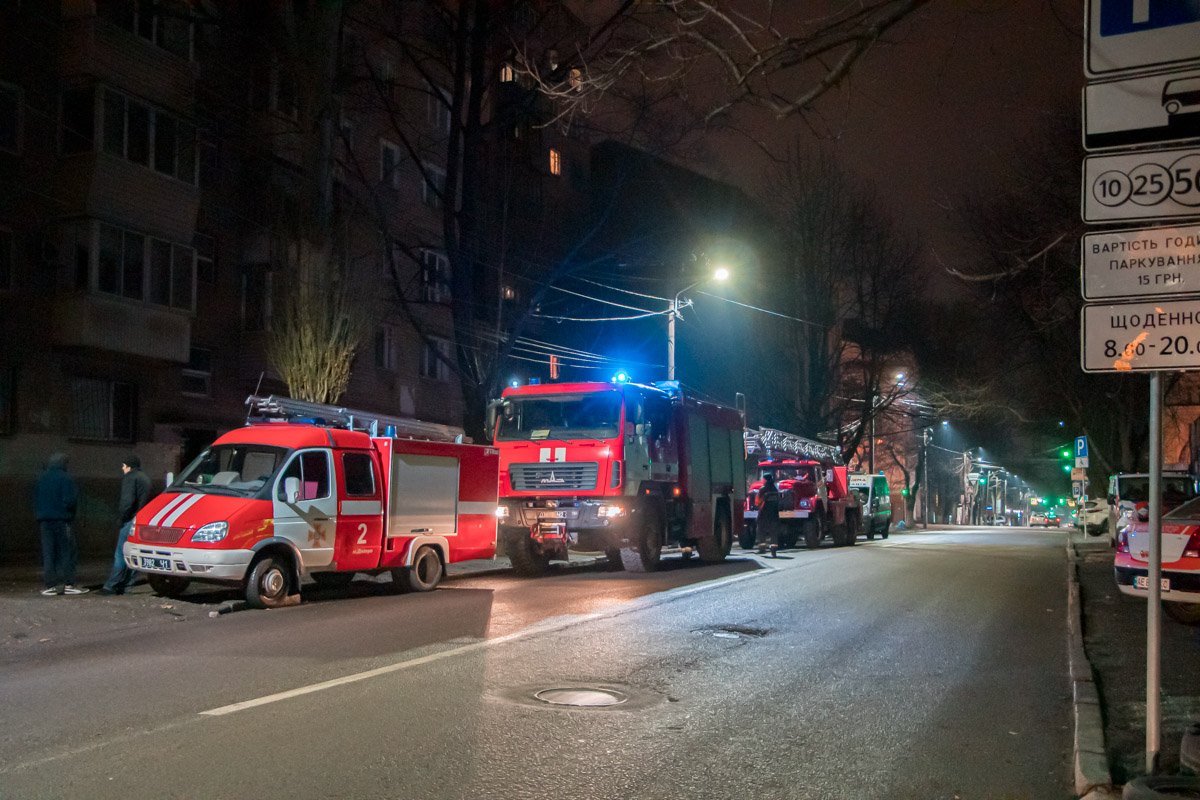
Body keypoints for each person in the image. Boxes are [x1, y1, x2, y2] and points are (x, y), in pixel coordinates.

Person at [99, 454, 152, 596]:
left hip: (130, 520)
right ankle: (127, 585)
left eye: (123, 465)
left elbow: (127, 502)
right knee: (132, 553)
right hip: (140, 520)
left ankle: (111, 586)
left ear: (129, 466)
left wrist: (121, 518)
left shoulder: (130, 478)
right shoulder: (145, 478)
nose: (122, 468)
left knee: (120, 553)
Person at [33, 452, 85, 596]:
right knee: (67, 552)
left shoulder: (42, 478)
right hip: (62, 520)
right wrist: (70, 513)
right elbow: (70, 500)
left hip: (44, 520)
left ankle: (50, 585)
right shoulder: (66, 478)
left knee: (48, 552)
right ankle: (68, 583)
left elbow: (36, 498)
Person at [755, 473, 781, 557]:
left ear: (765, 479)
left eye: (763, 479)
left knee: (761, 530)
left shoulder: (763, 489)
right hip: (774, 514)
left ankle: (762, 548)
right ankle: (774, 550)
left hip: (764, 514)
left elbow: (757, 502)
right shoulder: (775, 489)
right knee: (774, 532)